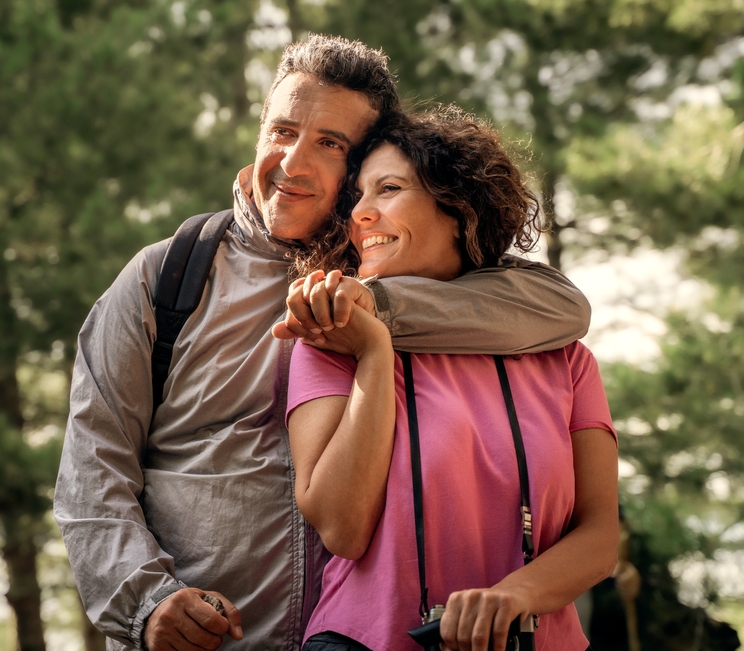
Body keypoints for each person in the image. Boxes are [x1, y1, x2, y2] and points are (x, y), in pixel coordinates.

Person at [54, 34, 593, 651]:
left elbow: (561, 306)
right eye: (282, 131)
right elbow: (92, 472)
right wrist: (145, 604)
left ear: (362, 163)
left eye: (330, 144)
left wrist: (369, 305)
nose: (292, 163)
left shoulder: (394, 265)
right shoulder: (165, 277)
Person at [285, 107, 619, 651]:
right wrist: (374, 351)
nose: (361, 215)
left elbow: (600, 536)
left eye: (387, 189)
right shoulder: (332, 342)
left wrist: (515, 597)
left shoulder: (565, 359)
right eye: (357, 199)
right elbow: (342, 527)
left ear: (459, 206)